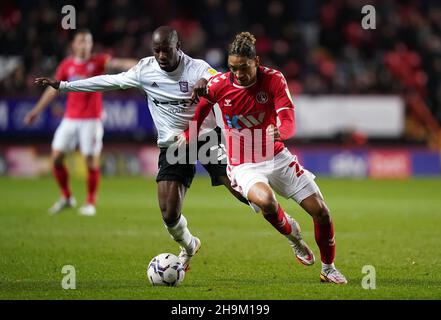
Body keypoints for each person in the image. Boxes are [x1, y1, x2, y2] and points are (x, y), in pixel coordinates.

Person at [33, 26, 249, 271]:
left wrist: (206, 80)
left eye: (166, 50)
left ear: (178, 48)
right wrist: (63, 86)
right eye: (156, 51)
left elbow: (219, 77)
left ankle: (283, 221)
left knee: (241, 190)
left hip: (206, 137)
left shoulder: (196, 67)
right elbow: (108, 82)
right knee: (169, 214)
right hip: (174, 144)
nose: (161, 56)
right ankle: (190, 245)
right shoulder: (145, 70)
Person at [181, 32, 347, 284]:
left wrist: (283, 131)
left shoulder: (273, 80)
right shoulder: (219, 85)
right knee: (267, 201)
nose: (238, 74)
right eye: (233, 68)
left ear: (256, 61)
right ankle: (294, 239)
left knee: (321, 212)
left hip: (277, 156)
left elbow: (288, 117)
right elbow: (203, 107)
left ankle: (329, 268)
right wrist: (188, 134)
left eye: (244, 68)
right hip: (244, 165)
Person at [24, 28, 138, 216]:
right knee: (56, 157)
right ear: (74, 45)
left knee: (90, 161)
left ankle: (90, 202)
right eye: (82, 41)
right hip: (70, 118)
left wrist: (147, 65)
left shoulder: (99, 61)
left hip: (92, 120)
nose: (85, 45)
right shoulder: (67, 65)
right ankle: (67, 197)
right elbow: (53, 89)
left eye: (88, 42)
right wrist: (36, 111)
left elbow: (118, 63)